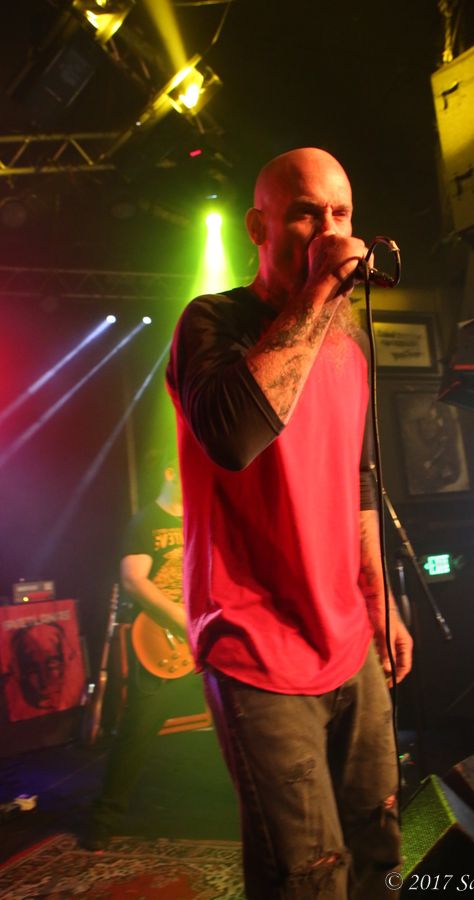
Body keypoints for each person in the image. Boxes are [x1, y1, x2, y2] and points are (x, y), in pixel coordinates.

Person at [167, 147, 413, 898]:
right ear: (258, 226)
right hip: (256, 645)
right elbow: (233, 436)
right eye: (307, 213)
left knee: (377, 848)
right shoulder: (212, 321)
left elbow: (358, 480)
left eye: (341, 214)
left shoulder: (352, 342)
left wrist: (380, 600)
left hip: (348, 637)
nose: (330, 231)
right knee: (307, 875)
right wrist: (317, 293)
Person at [82, 459, 189, 850]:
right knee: (137, 731)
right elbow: (133, 580)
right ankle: (104, 819)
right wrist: (181, 619)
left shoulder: (201, 520)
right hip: (162, 640)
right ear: (169, 473)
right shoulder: (146, 523)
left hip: (200, 640)